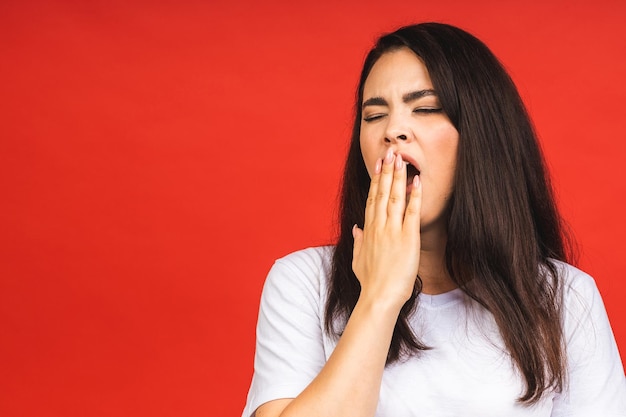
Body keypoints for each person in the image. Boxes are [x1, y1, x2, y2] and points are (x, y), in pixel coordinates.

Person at [241, 22, 626, 417]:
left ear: (482, 136)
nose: (393, 131)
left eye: (424, 109)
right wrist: (380, 296)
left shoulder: (566, 299)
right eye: (374, 115)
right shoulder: (302, 283)